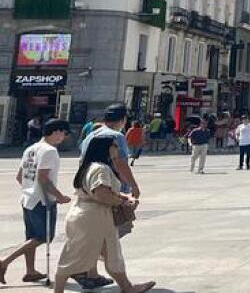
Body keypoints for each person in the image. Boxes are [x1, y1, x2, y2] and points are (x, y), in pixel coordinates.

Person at [51, 137, 155, 293]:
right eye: (114, 146)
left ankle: (127, 287)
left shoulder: (90, 166)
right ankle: (58, 290)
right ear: (105, 148)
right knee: (75, 255)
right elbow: (101, 194)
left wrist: (123, 197)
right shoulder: (101, 168)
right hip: (93, 217)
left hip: (86, 214)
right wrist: (122, 202)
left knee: (111, 253)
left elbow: (104, 191)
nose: (117, 149)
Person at [0, 119, 71, 285]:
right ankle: (4, 261)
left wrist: (29, 189)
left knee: (31, 237)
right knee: (43, 236)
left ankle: (30, 271)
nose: (64, 137)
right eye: (64, 133)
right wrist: (59, 196)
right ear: (56, 132)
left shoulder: (30, 149)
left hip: (27, 198)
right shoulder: (50, 151)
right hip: (42, 201)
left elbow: (20, 176)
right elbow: (43, 178)